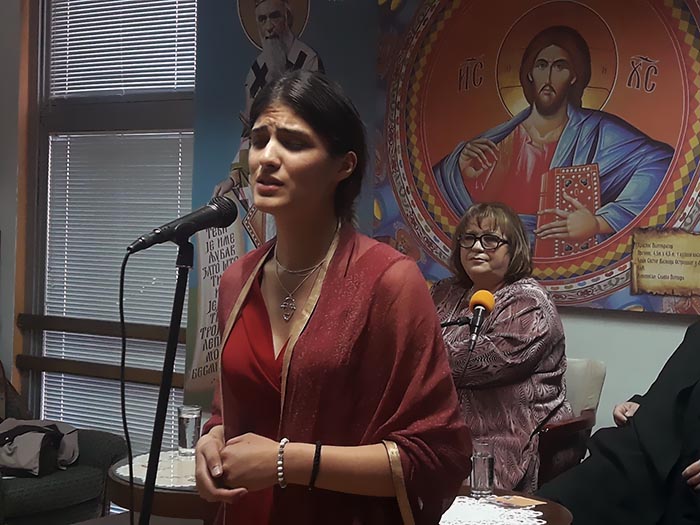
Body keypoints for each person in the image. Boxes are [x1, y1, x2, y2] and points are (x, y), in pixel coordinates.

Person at [195, 70, 472, 525]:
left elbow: (435, 454)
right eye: (259, 140)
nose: (267, 158)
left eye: (293, 143)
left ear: (343, 166)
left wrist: (286, 462)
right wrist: (212, 439)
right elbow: (231, 411)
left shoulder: (388, 282)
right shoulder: (237, 281)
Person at [433, 26, 673, 247]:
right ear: (530, 73)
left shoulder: (597, 131)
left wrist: (599, 223)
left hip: (563, 257)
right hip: (496, 251)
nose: (548, 77)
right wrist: (459, 172)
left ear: (574, 76)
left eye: (560, 67)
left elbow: (662, 163)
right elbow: (454, 196)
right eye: (541, 65)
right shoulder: (501, 138)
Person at [431, 202, 572, 493]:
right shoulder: (444, 292)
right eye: (469, 238)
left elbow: (478, 363)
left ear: (514, 248)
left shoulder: (529, 302)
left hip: (501, 437)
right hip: (436, 429)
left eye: (490, 239)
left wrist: (414, 354)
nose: (476, 247)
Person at [538, 321, 700, 524]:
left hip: (689, 484)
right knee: (545, 508)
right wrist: (642, 405)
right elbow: (677, 391)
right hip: (644, 456)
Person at [213, 0, 324, 202]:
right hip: (264, 180)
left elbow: (314, 126)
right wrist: (234, 178)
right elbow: (250, 135)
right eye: (262, 19)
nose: (269, 26)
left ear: (287, 18)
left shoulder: (307, 61)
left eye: (274, 16)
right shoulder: (256, 73)